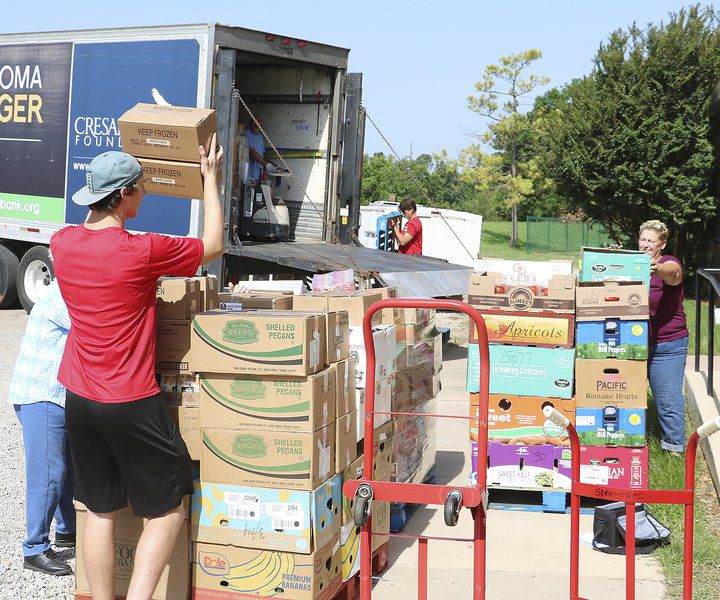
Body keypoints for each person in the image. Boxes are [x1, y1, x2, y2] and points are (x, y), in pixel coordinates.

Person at [50, 137, 223, 599]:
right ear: (125, 194)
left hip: (80, 399)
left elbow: (89, 235)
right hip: (129, 400)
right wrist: (210, 181)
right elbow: (214, 244)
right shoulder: (140, 250)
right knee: (168, 507)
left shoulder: (61, 243)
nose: (145, 194)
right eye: (142, 188)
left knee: (100, 510)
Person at [7, 279, 74, 576]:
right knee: (50, 473)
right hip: (42, 393)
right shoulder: (66, 292)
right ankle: (34, 549)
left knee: (67, 468)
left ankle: (68, 530)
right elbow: (96, 327)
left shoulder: (73, 284)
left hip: (55, 393)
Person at [639, 219, 689, 455]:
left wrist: (655, 268)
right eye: (643, 239)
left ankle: (674, 450)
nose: (646, 244)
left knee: (667, 401)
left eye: (651, 240)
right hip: (633, 343)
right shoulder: (633, 263)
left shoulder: (668, 263)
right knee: (625, 397)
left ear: (662, 244)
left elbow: (674, 274)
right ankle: (630, 445)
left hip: (667, 345)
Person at [245, 115, 277, 183]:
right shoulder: (247, 134)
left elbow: (263, 153)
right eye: (254, 121)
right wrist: (267, 164)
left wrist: (270, 164)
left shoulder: (259, 136)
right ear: (250, 123)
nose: (257, 124)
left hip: (259, 173)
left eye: (259, 122)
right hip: (250, 173)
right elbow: (252, 153)